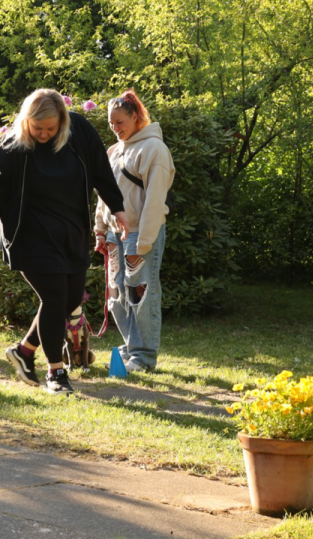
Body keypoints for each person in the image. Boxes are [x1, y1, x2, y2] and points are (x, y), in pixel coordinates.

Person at [0, 89, 129, 395]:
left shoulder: (79, 133)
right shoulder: (12, 145)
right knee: (54, 298)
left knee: (69, 299)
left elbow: (102, 173)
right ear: (26, 121)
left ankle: (24, 351)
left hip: (70, 231)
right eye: (37, 128)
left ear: (62, 122)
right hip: (28, 234)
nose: (43, 134)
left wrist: (118, 210)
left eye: (50, 129)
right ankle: (56, 372)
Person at [94, 90, 174, 372]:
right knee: (117, 295)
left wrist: (144, 242)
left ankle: (144, 357)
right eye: (111, 123)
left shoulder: (154, 149)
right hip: (116, 236)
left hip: (140, 235)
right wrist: (100, 230)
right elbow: (104, 194)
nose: (115, 128)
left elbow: (155, 200)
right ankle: (129, 351)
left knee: (141, 295)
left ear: (135, 117)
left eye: (119, 122)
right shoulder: (113, 152)